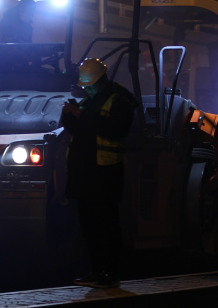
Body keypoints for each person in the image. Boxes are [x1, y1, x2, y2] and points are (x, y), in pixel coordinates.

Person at [61, 58, 137, 289]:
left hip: (105, 174)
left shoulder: (120, 101)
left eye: (91, 85)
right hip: (85, 175)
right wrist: (69, 116)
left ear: (102, 80)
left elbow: (114, 131)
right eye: (86, 86)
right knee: (88, 226)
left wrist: (82, 116)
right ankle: (96, 271)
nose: (88, 89)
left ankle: (110, 275)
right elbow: (79, 132)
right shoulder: (90, 100)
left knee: (106, 226)